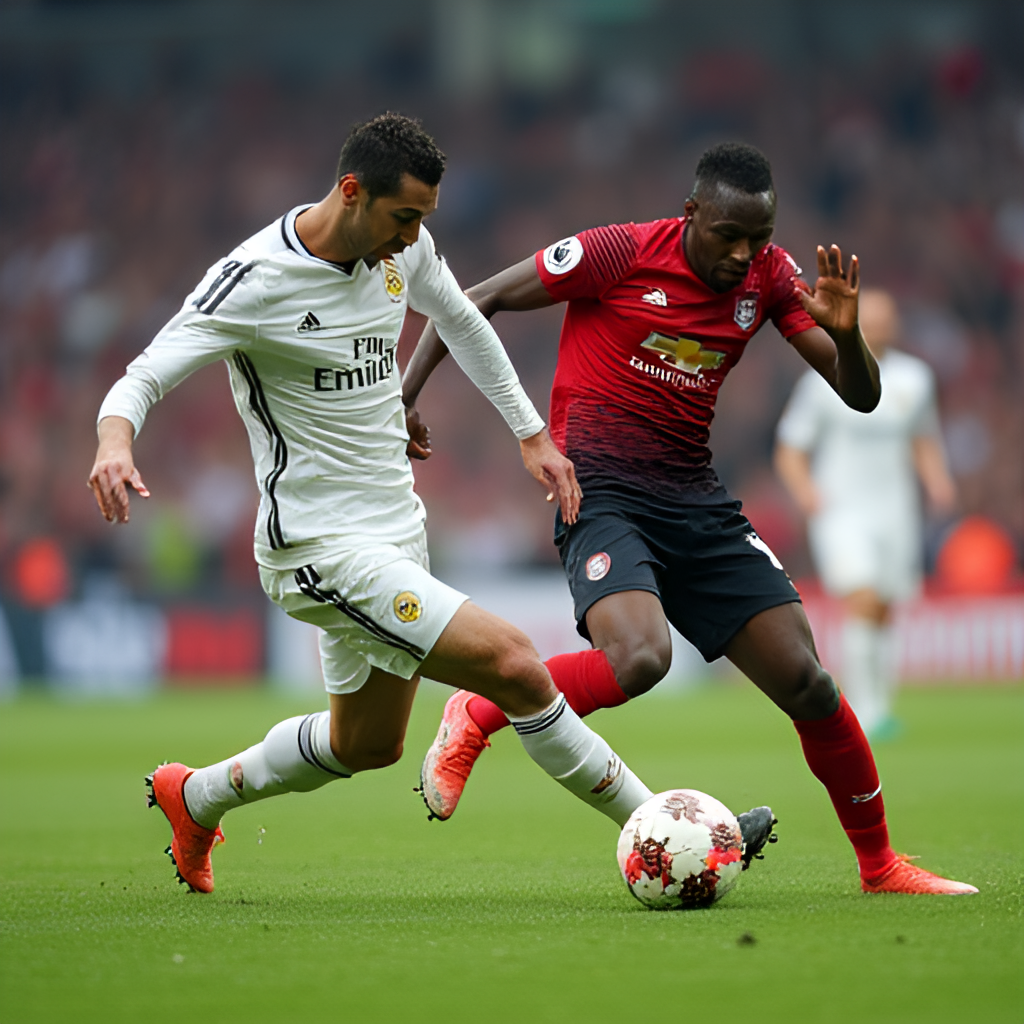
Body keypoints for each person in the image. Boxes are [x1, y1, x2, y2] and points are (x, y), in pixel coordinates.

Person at [88, 114, 673, 895]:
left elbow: (460, 318)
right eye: (404, 219)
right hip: (318, 548)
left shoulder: (404, 250)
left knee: (365, 744)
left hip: (397, 530)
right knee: (514, 665)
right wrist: (114, 443)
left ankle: (195, 798)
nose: (413, 239)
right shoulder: (254, 279)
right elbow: (146, 372)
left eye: (424, 221)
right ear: (352, 192)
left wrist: (531, 434)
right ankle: (662, 830)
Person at [403, 143, 976, 896]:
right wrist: (404, 397)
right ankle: (479, 710)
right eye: (728, 236)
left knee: (808, 683)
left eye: (759, 239)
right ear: (691, 214)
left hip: (696, 501)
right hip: (601, 492)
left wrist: (845, 333)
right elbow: (471, 300)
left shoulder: (770, 280)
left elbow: (860, 395)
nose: (744, 255)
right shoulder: (619, 251)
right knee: (641, 659)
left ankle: (881, 866)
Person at [775, 289, 956, 739]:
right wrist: (806, 491)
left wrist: (937, 479)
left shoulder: (915, 379)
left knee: (884, 608)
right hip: (841, 509)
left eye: (884, 320)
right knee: (864, 597)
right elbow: (791, 447)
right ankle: (867, 711)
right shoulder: (823, 378)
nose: (876, 328)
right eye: (867, 320)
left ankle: (881, 703)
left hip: (895, 508)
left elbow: (923, 437)